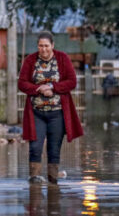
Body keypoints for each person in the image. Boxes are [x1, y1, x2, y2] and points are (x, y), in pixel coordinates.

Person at [18, 31, 84, 184]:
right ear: (37, 46)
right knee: (35, 147)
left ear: (52, 45)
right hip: (36, 113)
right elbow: (22, 83)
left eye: (46, 45)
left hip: (57, 113)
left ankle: (53, 180)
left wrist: (52, 87)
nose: (44, 49)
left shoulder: (62, 58)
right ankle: (34, 179)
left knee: (54, 149)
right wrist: (38, 89)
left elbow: (72, 81)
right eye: (41, 46)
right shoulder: (30, 60)